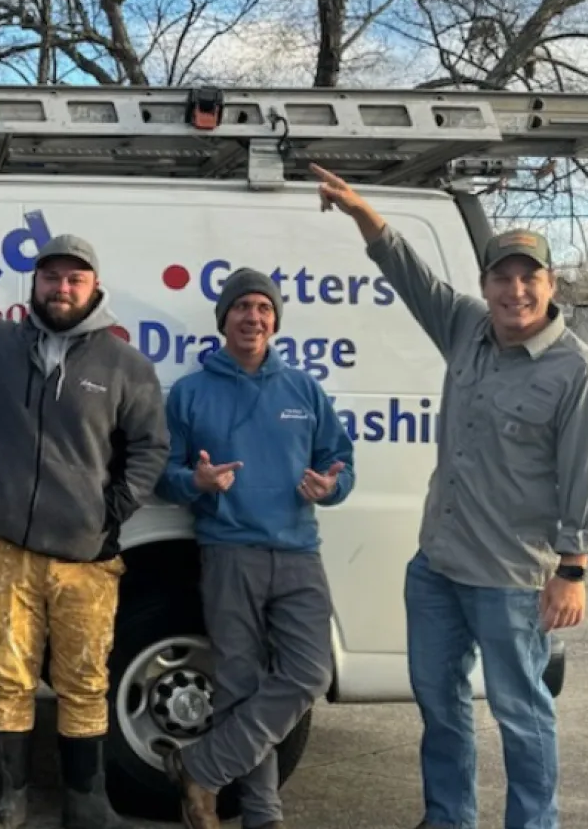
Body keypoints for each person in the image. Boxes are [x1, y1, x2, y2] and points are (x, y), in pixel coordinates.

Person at [311, 165, 588, 829]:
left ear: (550, 285)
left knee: (521, 713)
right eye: (502, 278)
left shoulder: (579, 375)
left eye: (527, 277)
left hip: (511, 578)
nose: (514, 290)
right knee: (439, 705)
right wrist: (363, 210)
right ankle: (448, 818)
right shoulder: (466, 329)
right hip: (437, 568)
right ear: (484, 285)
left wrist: (572, 572)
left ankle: (533, 824)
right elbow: (408, 274)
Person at [0, 235, 169, 829]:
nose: (61, 288)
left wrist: (110, 512)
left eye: (74, 279)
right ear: (34, 285)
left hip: (86, 558)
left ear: (94, 287)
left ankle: (87, 801)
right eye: (50, 276)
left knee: (85, 679)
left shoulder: (125, 365)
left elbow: (151, 448)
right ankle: (8, 800)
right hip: (7, 550)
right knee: (9, 676)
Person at [153, 266, 356, 829]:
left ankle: (203, 766)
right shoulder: (191, 393)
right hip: (227, 551)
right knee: (240, 683)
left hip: (297, 551)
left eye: (263, 308)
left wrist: (331, 486)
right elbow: (164, 474)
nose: (253, 317)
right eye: (242, 307)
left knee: (309, 674)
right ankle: (262, 815)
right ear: (224, 319)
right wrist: (195, 484)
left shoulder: (303, 390)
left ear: (275, 321)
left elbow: (340, 462)